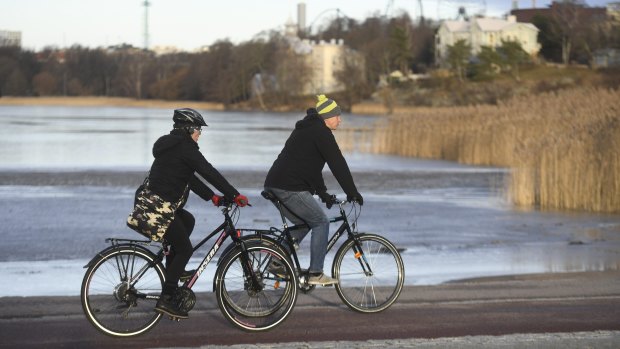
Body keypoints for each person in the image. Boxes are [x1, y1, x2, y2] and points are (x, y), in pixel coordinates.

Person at [148, 108, 249, 319]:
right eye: (198, 130)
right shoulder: (185, 147)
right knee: (185, 249)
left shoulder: (172, 145)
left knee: (187, 220)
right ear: (189, 129)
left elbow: (189, 178)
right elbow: (208, 171)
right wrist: (234, 194)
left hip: (154, 204)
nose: (199, 134)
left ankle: (173, 272)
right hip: (159, 207)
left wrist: (212, 197)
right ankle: (166, 299)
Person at [264, 94, 363, 286]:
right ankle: (316, 272)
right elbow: (338, 164)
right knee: (320, 222)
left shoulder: (309, 129)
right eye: (337, 115)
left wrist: (322, 193)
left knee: (304, 223)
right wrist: (352, 192)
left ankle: (277, 262)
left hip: (276, 183)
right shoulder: (321, 133)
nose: (340, 119)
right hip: (289, 187)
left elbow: (310, 165)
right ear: (327, 117)